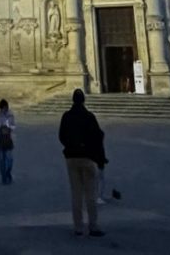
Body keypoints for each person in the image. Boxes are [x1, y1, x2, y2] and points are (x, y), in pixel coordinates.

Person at [58, 89, 105, 238]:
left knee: (76, 194)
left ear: (73, 100)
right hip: (87, 158)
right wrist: (99, 157)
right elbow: (98, 137)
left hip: (71, 158)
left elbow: (61, 136)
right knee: (90, 194)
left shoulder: (66, 116)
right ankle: (93, 226)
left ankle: (78, 227)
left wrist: (70, 146)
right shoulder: (89, 117)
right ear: (83, 100)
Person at [0, 99, 16, 184]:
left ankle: (8, 172)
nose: (4, 109)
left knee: (10, 159)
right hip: (1, 139)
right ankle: (3, 176)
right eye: (3, 108)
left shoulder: (10, 115)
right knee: (1, 160)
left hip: (8, 139)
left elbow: (14, 125)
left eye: (5, 107)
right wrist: (1, 127)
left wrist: (8, 127)